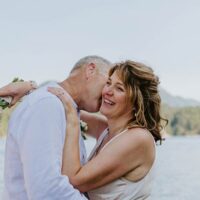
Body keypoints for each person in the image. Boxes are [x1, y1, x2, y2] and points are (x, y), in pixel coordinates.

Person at [1, 60, 167, 199]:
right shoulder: (108, 129)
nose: (107, 91)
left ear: (136, 101)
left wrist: (73, 120)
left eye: (119, 88)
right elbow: (59, 102)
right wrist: (31, 88)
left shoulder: (138, 139)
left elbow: (74, 180)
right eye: (108, 83)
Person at [1, 55, 111, 200]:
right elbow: (47, 190)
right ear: (90, 70)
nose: (108, 92)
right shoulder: (48, 105)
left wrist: (31, 87)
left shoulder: (63, 108)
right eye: (108, 82)